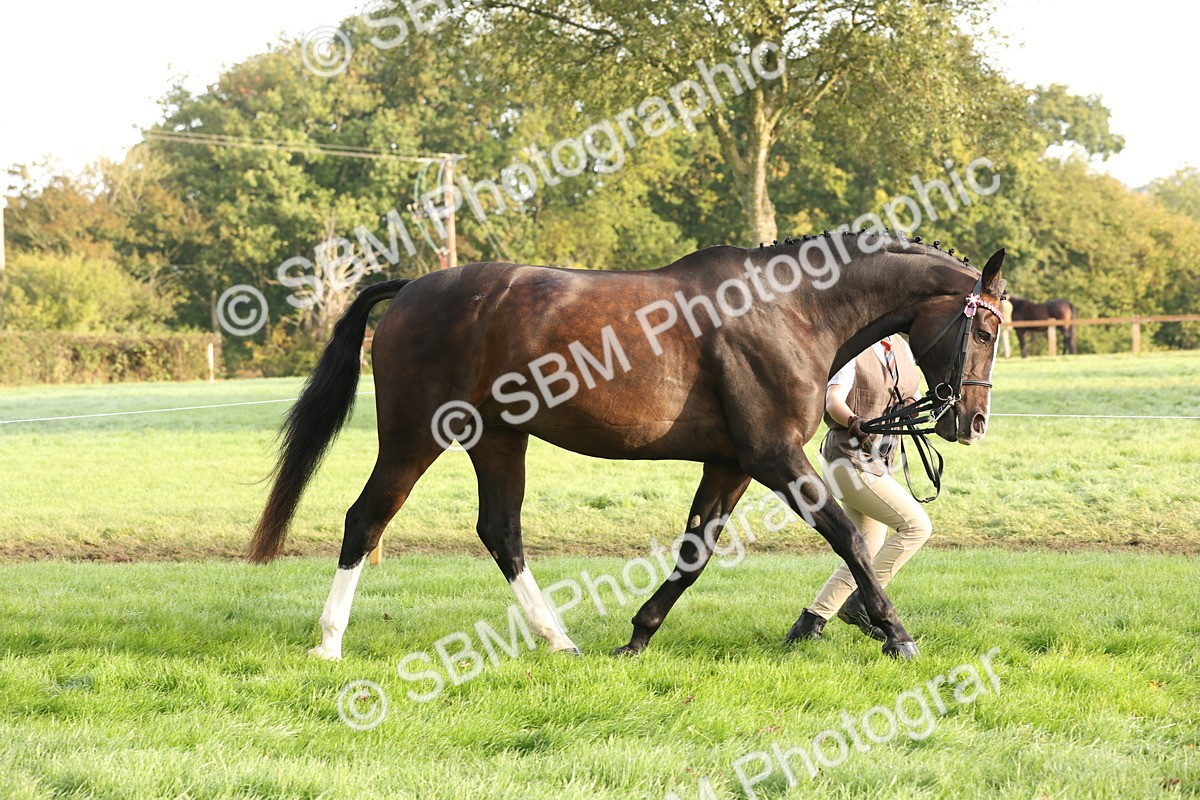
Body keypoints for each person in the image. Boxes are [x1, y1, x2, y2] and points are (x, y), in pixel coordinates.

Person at [786, 334, 933, 643]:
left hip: (878, 463)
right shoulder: (853, 351)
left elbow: (912, 398)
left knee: (865, 549)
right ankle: (864, 602)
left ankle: (809, 624)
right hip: (847, 462)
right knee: (917, 526)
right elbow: (833, 401)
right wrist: (853, 419)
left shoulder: (903, 349)